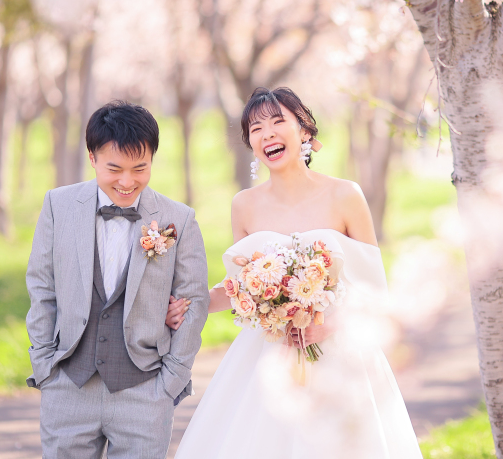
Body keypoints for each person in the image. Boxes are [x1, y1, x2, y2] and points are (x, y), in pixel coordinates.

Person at [168, 87, 423, 458]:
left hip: (341, 352)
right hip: (270, 354)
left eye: (277, 122)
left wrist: (327, 327)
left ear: (304, 131)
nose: (267, 134)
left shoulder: (345, 195)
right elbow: (240, 286)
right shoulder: (245, 204)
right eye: (256, 128)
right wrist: (192, 305)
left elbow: (374, 291)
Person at [25, 100, 210, 459]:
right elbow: (42, 288)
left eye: (140, 168)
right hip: (68, 387)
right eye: (114, 169)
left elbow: (194, 302)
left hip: (145, 390)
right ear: (92, 158)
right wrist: (45, 367)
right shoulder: (58, 206)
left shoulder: (178, 219)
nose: (127, 182)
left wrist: (170, 382)